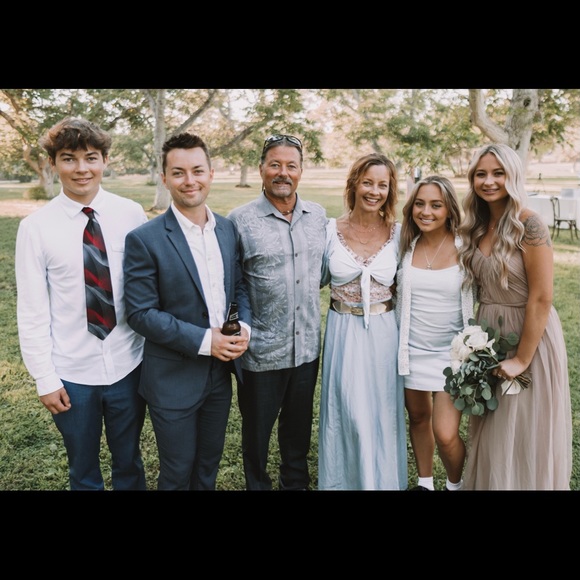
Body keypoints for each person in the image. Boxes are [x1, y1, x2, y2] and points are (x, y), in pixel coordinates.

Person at [15, 117, 148, 491]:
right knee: (83, 470)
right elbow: (32, 311)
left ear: (105, 160)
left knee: (130, 463)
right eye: (68, 158)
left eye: (90, 158)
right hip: (72, 374)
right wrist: (45, 377)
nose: (81, 169)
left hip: (129, 365)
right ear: (53, 163)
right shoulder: (36, 228)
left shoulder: (131, 214)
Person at [123, 132, 251, 490]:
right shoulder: (144, 239)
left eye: (197, 171)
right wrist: (206, 340)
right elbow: (141, 313)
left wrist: (244, 327)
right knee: (177, 472)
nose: (189, 180)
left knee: (208, 468)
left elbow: (239, 287)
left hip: (220, 376)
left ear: (211, 173)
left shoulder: (227, 229)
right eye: (178, 173)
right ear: (165, 178)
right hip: (172, 379)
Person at [458, 143, 572, 490]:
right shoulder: (477, 224)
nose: (489, 181)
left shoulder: (529, 224)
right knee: (493, 425)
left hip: (529, 336)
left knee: (524, 428)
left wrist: (522, 359)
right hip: (489, 337)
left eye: (498, 173)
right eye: (481, 174)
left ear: (513, 175)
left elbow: (542, 297)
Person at [227, 134, 327, 491]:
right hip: (260, 353)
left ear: (301, 171)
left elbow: (323, 273)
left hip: (306, 349)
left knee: (298, 431)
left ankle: (294, 484)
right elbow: (231, 284)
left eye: (291, 166)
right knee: (256, 434)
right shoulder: (239, 221)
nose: (283, 172)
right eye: (275, 165)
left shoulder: (318, 216)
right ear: (261, 169)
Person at [318, 152, 407, 490]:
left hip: (384, 333)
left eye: (382, 185)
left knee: (382, 409)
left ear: (390, 190)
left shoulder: (399, 233)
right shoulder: (329, 230)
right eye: (368, 182)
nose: (374, 191)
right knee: (345, 410)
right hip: (343, 329)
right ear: (354, 184)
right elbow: (313, 278)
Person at [396, 175, 476, 491]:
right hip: (411, 350)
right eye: (419, 204)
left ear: (449, 210)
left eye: (435, 205)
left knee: (445, 432)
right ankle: (425, 483)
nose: (426, 212)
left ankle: (455, 485)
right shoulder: (404, 245)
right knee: (418, 418)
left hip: (452, 355)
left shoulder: (465, 248)